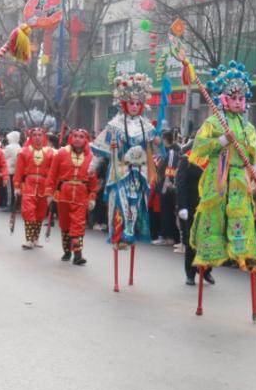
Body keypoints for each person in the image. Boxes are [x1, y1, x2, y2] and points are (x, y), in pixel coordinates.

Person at [188, 62, 256, 273]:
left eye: (241, 98)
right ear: (224, 99)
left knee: (242, 215)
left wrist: (254, 169)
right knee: (214, 214)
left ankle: (244, 255)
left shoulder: (248, 127)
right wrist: (222, 140)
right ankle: (209, 255)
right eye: (234, 98)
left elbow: (252, 154)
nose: (238, 102)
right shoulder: (214, 122)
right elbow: (198, 149)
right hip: (219, 176)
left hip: (240, 176)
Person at [93, 73, 164, 250]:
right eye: (131, 103)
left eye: (138, 103)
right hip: (120, 170)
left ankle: (131, 232)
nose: (134, 106)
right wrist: (93, 166)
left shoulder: (146, 126)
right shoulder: (115, 124)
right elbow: (102, 150)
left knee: (136, 203)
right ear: (124, 103)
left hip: (140, 172)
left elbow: (155, 150)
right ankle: (118, 235)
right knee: (119, 202)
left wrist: (156, 142)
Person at [49, 128, 99, 265]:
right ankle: (67, 250)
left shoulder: (91, 157)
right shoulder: (60, 153)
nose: (78, 138)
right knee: (65, 224)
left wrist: (92, 196)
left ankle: (78, 254)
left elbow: (93, 179)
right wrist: (49, 193)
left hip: (81, 194)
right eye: (75, 136)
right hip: (64, 193)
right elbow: (52, 174)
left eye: (81, 136)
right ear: (71, 138)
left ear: (86, 139)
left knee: (78, 224)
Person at [13, 127, 55, 249]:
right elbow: (19, 170)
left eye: (40, 135)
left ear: (44, 137)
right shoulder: (23, 151)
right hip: (29, 184)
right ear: (31, 137)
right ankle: (29, 239)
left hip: (44, 185)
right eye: (35, 135)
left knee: (40, 213)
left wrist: (52, 190)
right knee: (28, 211)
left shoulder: (51, 152)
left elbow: (53, 173)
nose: (37, 137)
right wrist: (16, 186)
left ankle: (35, 238)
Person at [176, 142, 211, 285]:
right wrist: (182, 206)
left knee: (209, 239)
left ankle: (206, 270)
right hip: (191, 205)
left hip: (208, 205)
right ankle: (190, 273)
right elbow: (181, 184)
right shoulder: (187, 159)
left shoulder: (212, 159)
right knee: (191, 240)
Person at [155, 129, 179, 245]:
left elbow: (169, 170)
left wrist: (165, 187)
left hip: (167, 187)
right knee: (168, 212)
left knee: (166, 212)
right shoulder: (169, 151)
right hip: (167, 187)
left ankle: (166, 236)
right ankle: (171, 236)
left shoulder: (171, 152)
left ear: (164, 139)